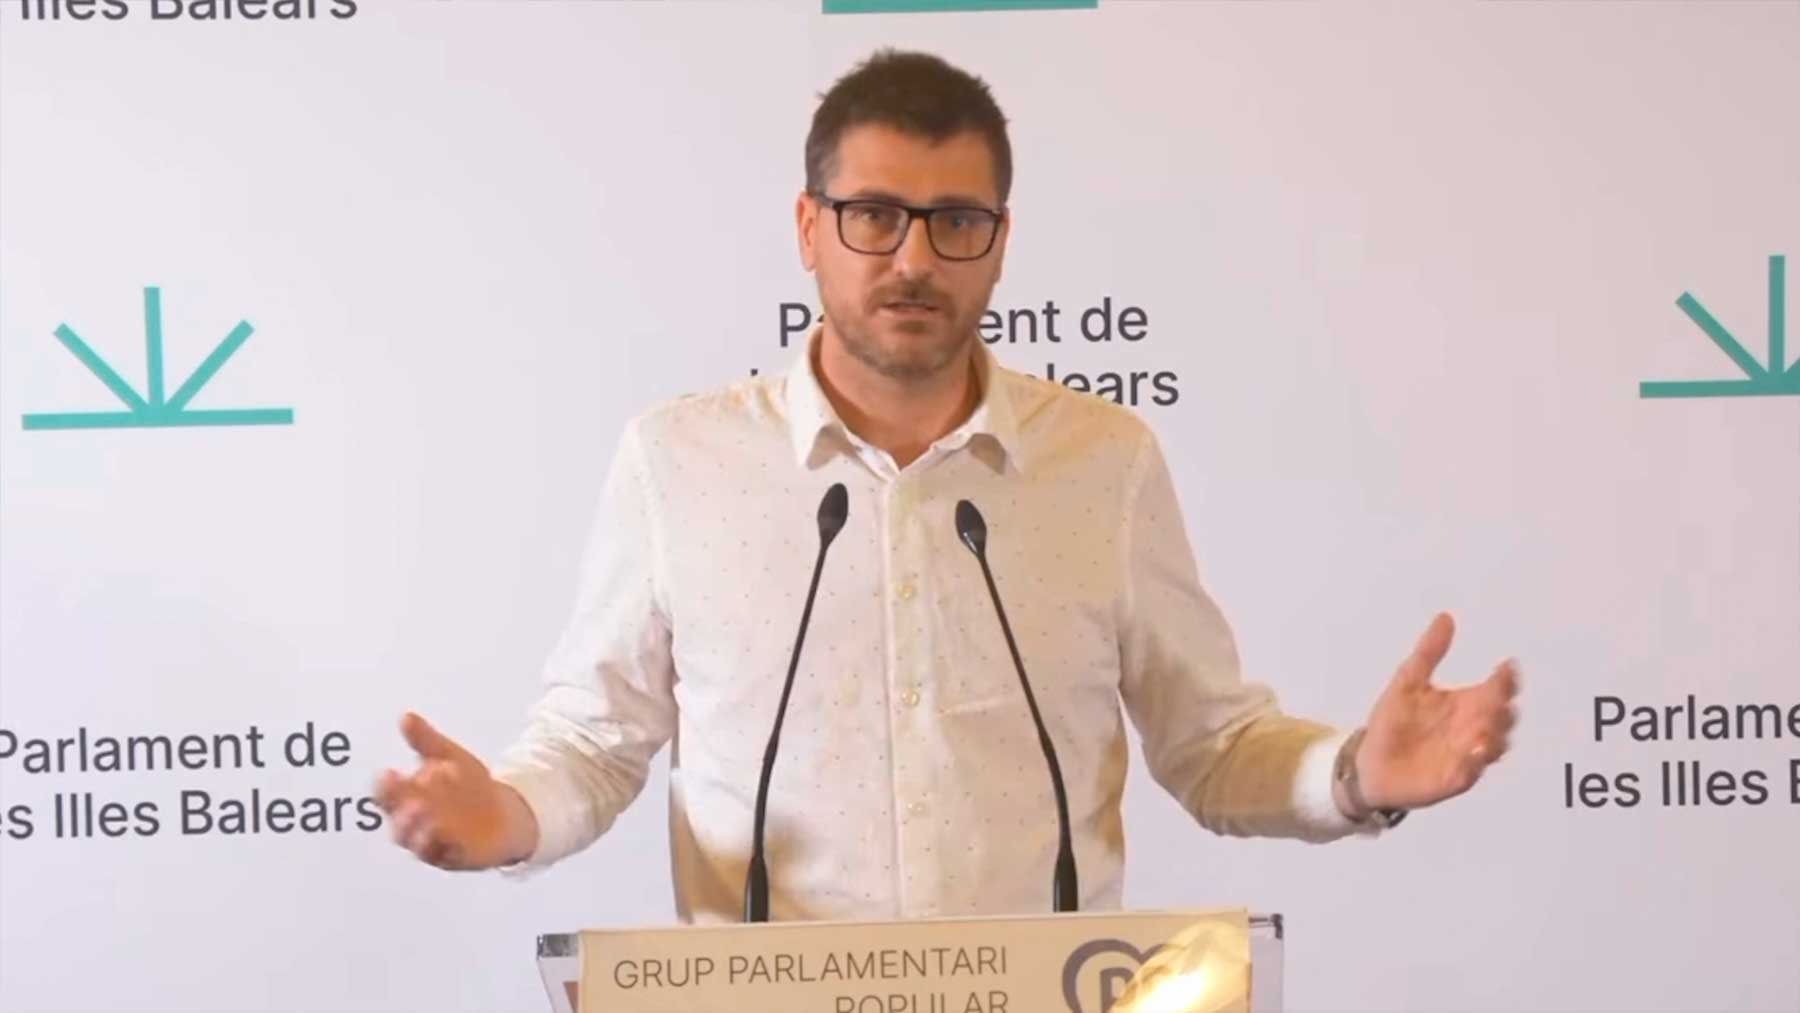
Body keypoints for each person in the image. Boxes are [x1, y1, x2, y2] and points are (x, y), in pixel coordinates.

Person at [372, 49, 1519, 923]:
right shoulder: (679, 462)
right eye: (874, 215)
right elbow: (595, 740)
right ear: (810, 228)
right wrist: (506, 814)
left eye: (955, 221)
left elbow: (1210, 744)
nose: (914, 259)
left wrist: (1355, 775)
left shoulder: (1104, 462)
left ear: (1001, 240)